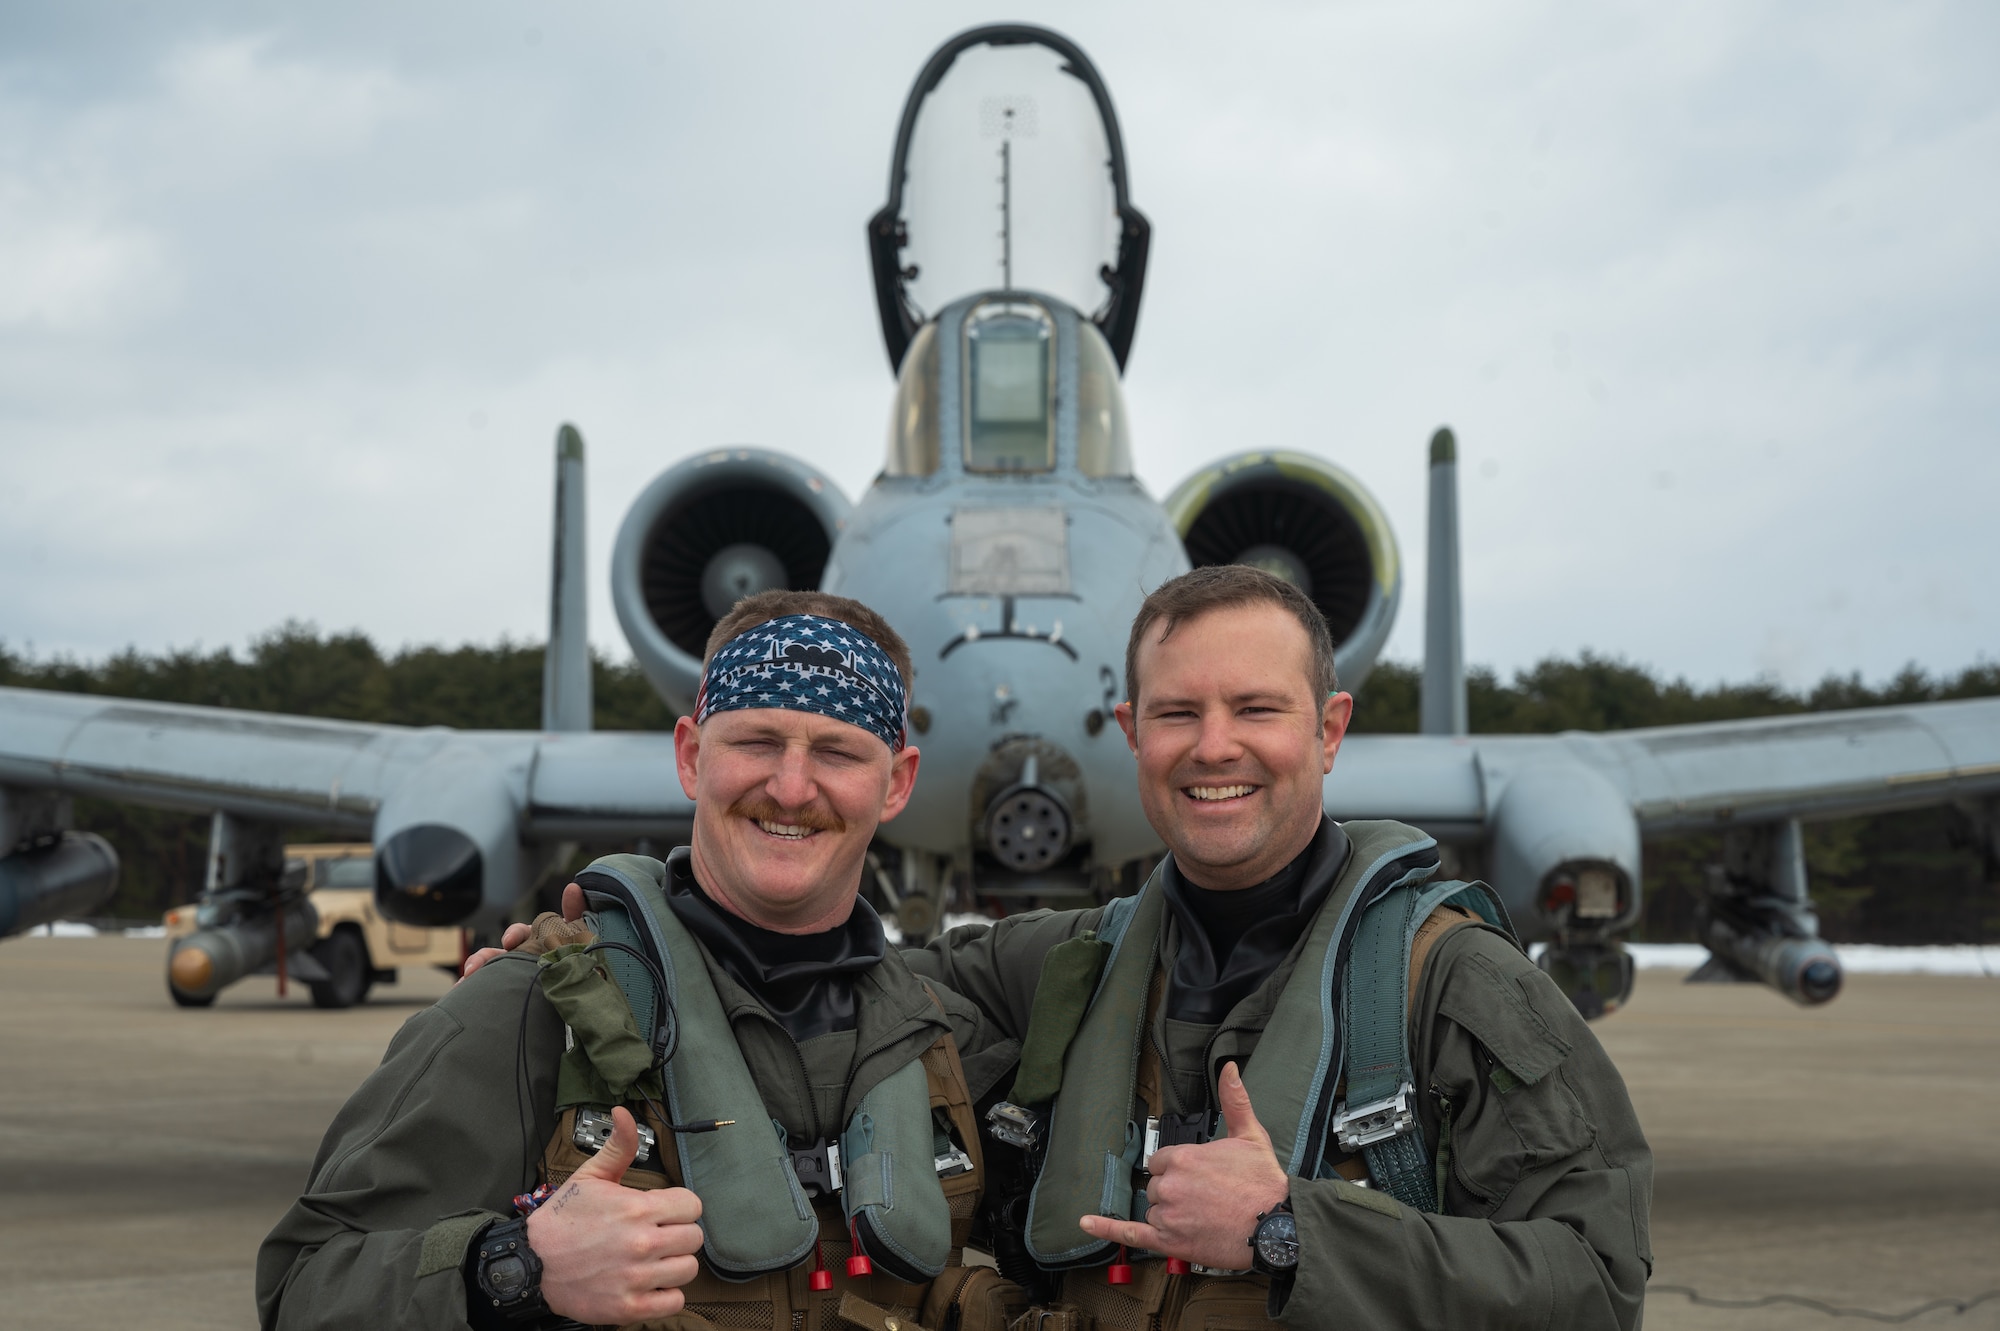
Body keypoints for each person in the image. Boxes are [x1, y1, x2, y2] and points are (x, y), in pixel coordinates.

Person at [473, 567, 1654, 1329]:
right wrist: (581, 967)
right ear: (1130, 733)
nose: (1213, 747)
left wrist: (1295, 1228)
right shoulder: (1062, 969)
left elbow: (1595, 1283)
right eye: (1177, 714)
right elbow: (796, 972)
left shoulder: (1451, 983)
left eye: (1255, 710)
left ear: (1329, 730)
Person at [257, 591, 1023, 1331]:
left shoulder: (940, 1041)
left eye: (837, 751)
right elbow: (305, 1284)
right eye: (756, 741)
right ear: (692, 756)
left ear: (897, 784)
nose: (791, 788)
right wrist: (515, 1268)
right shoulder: (527, 1013)